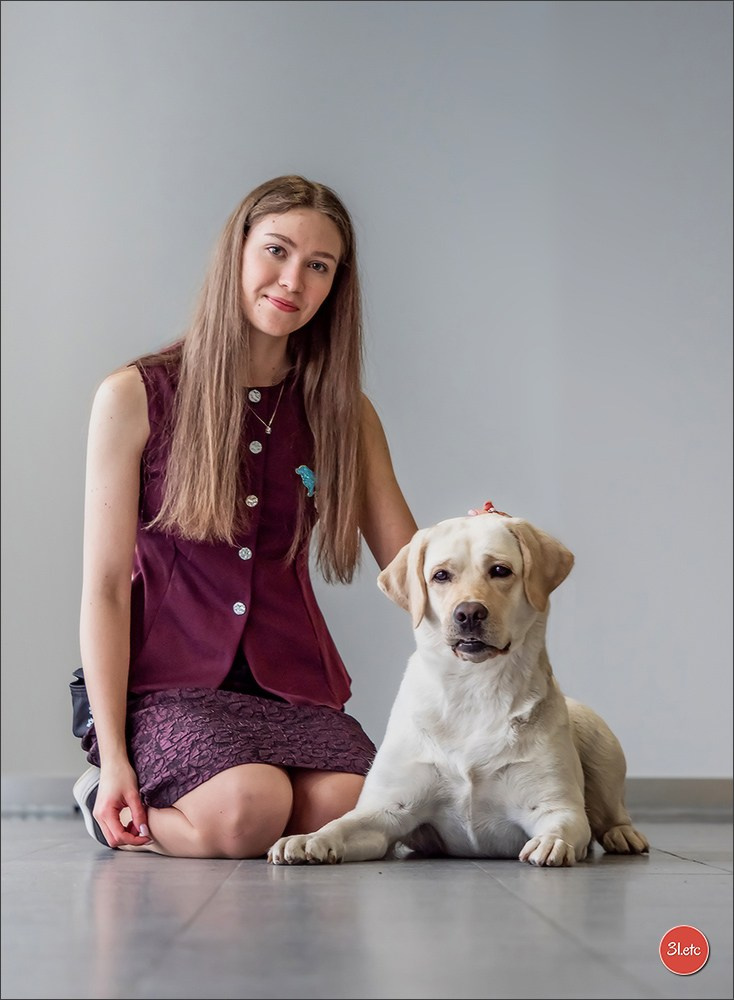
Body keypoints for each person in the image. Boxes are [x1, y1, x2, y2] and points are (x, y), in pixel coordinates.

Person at [72, 174, 417, 859]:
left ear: (334, 286)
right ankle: (96, 802)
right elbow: (108, 589)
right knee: (246, 810)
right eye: (277, 250)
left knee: (352, 814)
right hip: (168, 684)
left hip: (295, 685)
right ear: (238, 251)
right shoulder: (135, 395)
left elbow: (411, 567)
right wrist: (113, 759)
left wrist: (479, 544)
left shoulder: (344, 414)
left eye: (318, 266)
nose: (293, 279)